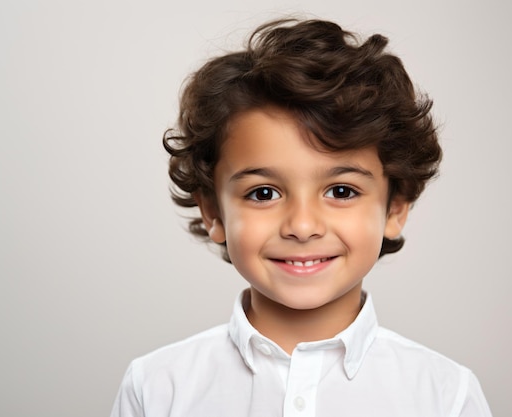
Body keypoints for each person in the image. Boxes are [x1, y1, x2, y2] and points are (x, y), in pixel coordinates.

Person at [111, 18, 492, 417]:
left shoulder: (444, 396)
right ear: (213, 212)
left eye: (341, 191)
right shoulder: (156, 388)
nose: (303, 226)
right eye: (264, 193)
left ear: (395, 208)